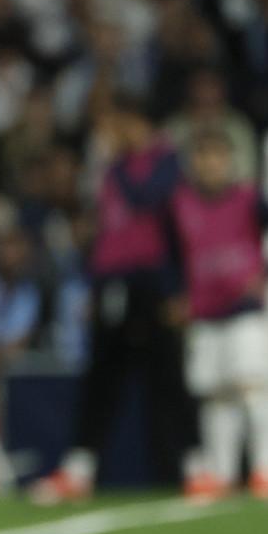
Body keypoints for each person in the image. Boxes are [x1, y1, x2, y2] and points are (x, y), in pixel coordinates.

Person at [32, 97, 192, 503]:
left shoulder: (166, 160)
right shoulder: (112, 169)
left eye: (113, 123)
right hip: (113, 283)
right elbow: (106, 231)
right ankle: (80, 469)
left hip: (154, 283)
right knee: (102, 378)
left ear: (131, 120)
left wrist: (179, 289)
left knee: (167, 379)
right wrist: (92, 284)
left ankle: (190, 467)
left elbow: (147, 199)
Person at [168, 129, 268, 501]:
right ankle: (221, 471)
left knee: (251, 386)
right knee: (214, 392)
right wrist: (176, 294)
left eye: (217, 157)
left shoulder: (249, 199)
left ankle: (265, 468)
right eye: (203, 157)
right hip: (203, 310)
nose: (210, 165)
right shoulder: (181, 204)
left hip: (243, 308)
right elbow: (171, 254)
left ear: (229, 161)